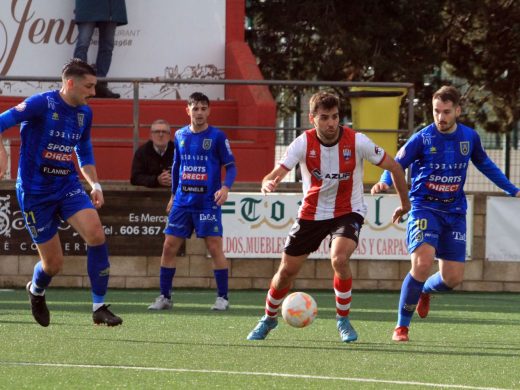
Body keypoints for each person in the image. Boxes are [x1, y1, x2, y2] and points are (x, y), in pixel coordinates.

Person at [246, 91, 410, 342]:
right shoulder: (302, 143)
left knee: (340, 258)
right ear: (313, 119)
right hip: (311, 214)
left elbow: (395, 167)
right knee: (286, 272)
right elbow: (273, 174)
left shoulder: (357, 141)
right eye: (324, 118)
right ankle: (268, 318)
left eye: (335, 117)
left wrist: (405, 203)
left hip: (348, 211)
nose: (331, 123)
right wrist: (268, 184)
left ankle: (343, 320)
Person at [371, 85, 520, 342]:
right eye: (436, 111)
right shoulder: (422, 138)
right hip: (424, 206)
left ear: (457, 111)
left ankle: (425, 291)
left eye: (446, 112)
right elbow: (396, 163)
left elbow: (484, 163)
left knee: (453, 278)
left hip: (454, 210)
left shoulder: (469, 137)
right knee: (422, 262)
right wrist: (384, 181)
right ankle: (401, 327)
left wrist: (512, 190)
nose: (440, 117)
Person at [0, 59, 123, 327]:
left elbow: (84, 150)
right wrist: (1, 153)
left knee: (96, 234)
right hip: (35, 192)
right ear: (70, 83)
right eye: (89, 86)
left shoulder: (84, 113)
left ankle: (99, 307)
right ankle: (36, 291)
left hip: (67, 184)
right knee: (53, 264)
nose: (93, 92)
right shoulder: (40, 104)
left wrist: (95, 184)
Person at [148, 92, 237, 311]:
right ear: (187, 110)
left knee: (214, 247)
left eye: (203, 108)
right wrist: (172, 195)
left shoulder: (217, 136)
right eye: (195, 108)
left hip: (207, 202)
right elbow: (177, 167)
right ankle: (165, 297)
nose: (199, 112)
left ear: (209, 111)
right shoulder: (179, 135)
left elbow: (231, 166)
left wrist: (226, 187)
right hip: (182, 202)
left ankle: (222, 298)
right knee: (169, 247)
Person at [73, 0, 127, 98]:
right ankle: (81, 85)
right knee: (83, 44)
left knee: (107, 46)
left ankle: (100, 85)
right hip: (88, 6)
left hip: (112, 7)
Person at [130, 119, 174, 188]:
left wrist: (174, 179)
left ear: (169, 135)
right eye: (157, 132)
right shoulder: (142, 152)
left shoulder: (178, 151)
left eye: (164, 132)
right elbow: (135, 178)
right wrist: (157, 180)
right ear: (151, 135)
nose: (161, 134)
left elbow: (186, 174)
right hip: (147, 196)